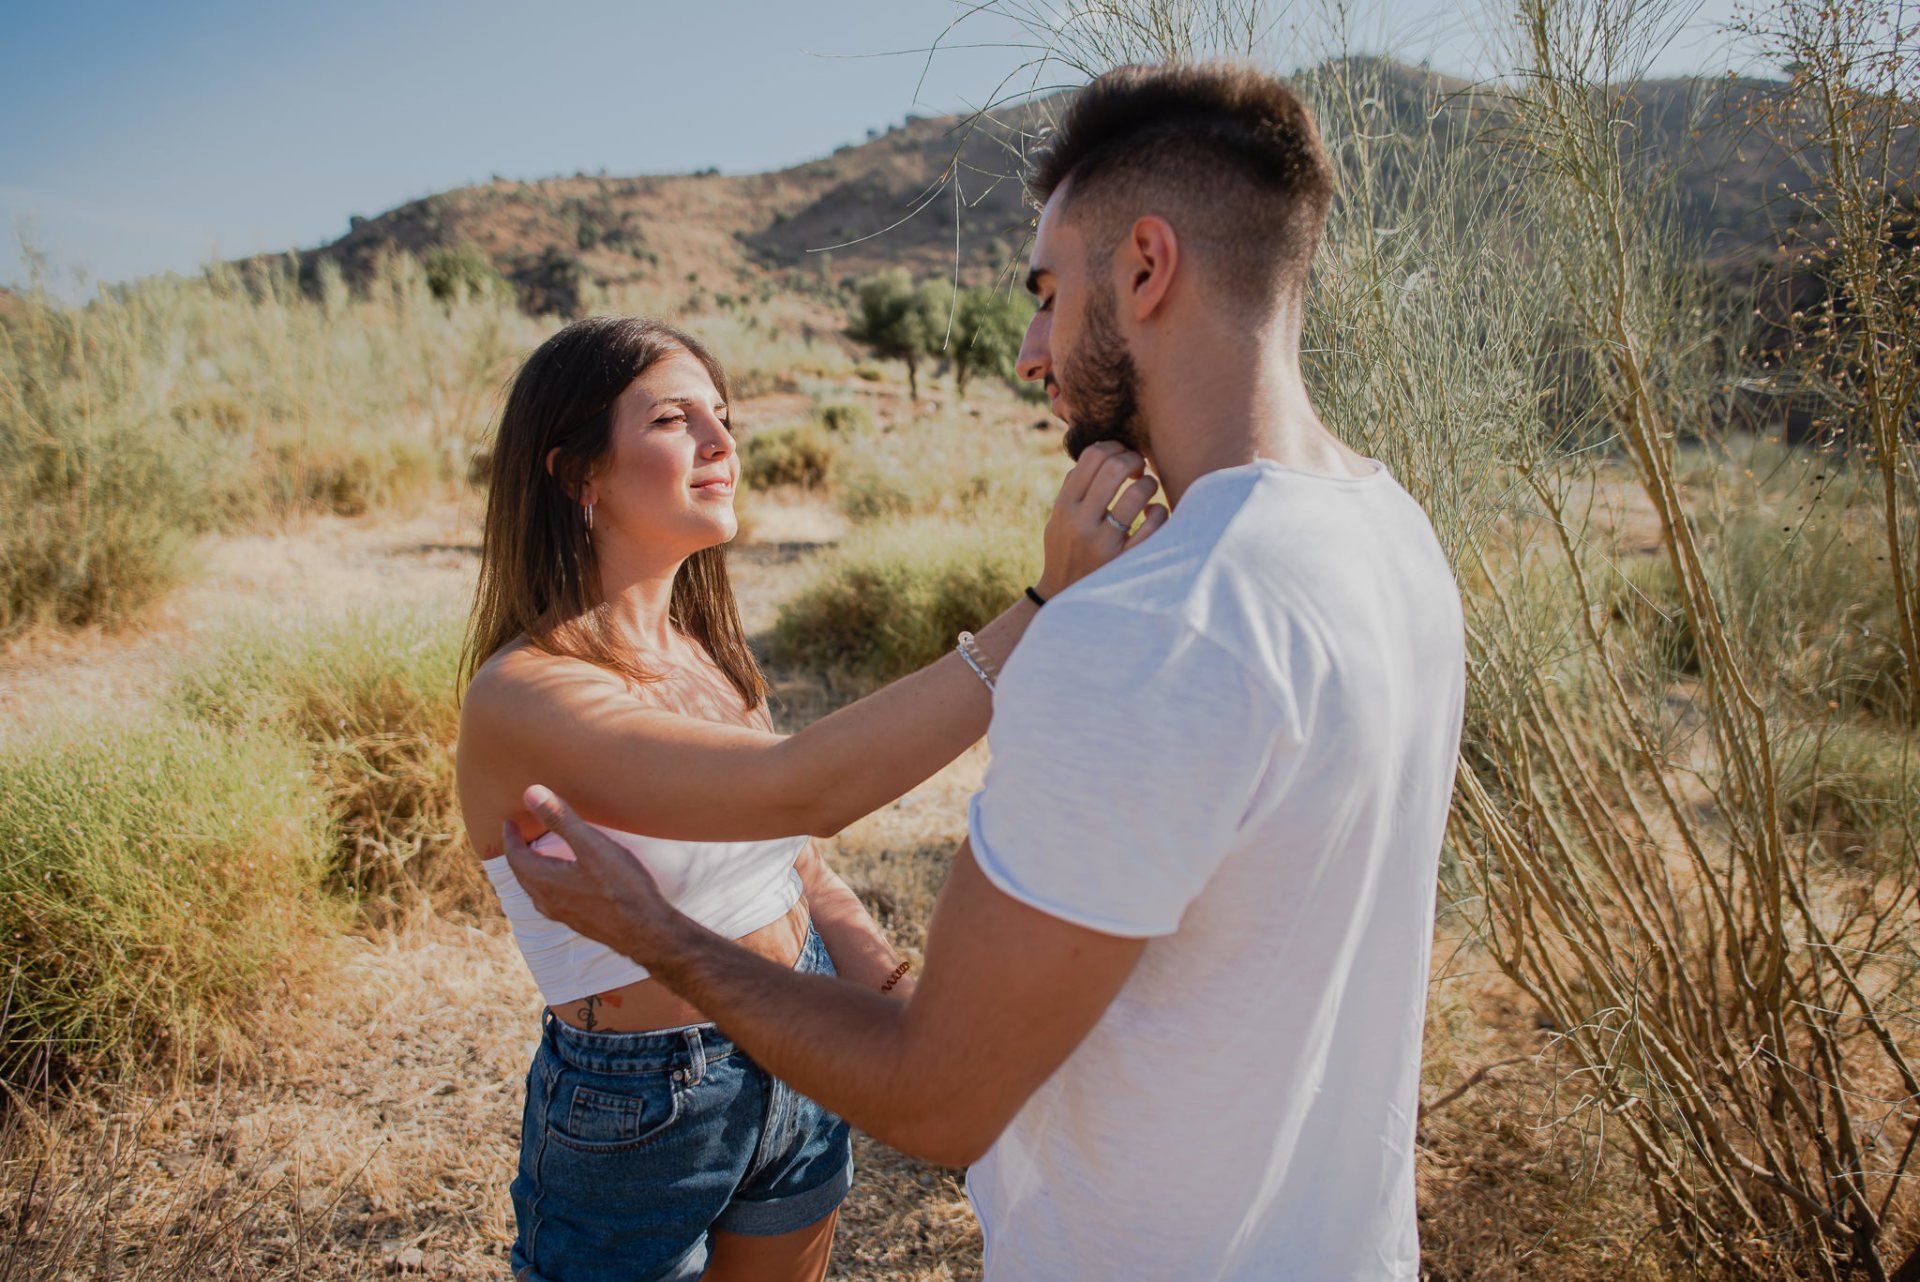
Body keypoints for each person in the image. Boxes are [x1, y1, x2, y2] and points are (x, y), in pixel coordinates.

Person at [502, 59, 1468, 1281]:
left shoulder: (1152, 630)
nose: (1029, 350)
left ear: (1146, 268)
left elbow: (936, 1096)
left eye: (1047, 294)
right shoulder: (1392, 533)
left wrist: (660, 935)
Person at [455, 315, 1162, 1282]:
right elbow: (803, 792)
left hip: (796, 1040)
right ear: (577, 473)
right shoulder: (526, 692)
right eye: (674, 419)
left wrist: (885, 994)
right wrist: (1041, 605)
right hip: (645, 1102)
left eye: (724, 416)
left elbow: (792, 861)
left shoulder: (696, 655)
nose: (720, 443)